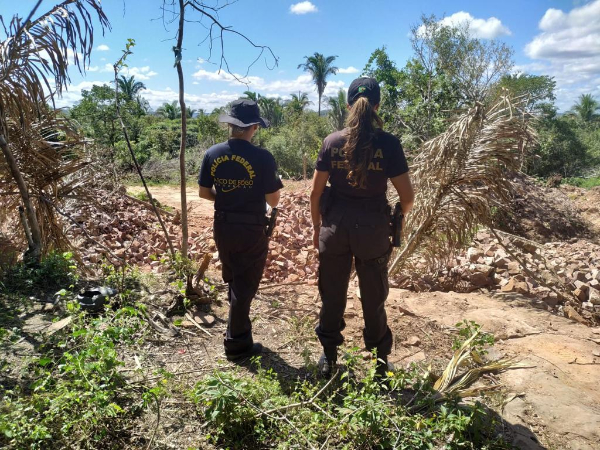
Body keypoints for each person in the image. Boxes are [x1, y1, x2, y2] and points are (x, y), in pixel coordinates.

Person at [310, 77, 414, 378]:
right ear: (377, 106)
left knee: (332, 294)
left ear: (348, 105)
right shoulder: (389, 144)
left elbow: (315, 193)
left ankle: (329, 358)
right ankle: (380, 365)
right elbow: (407, 197)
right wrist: (396, 218)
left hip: (335, 228)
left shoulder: (332, 142)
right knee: (374, 297)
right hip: (373, 230)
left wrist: (317, 228)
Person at [198, 99, 283, 361]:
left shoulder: (213, 153)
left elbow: (203, 192)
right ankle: (236, 343)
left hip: (223, 224)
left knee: (234, 277)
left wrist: (227, 197)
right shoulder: (263, 157)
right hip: (251, 227)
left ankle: (238, 334)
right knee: (246, 284)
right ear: (254, 127)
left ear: (231, 125)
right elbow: (273, 201)